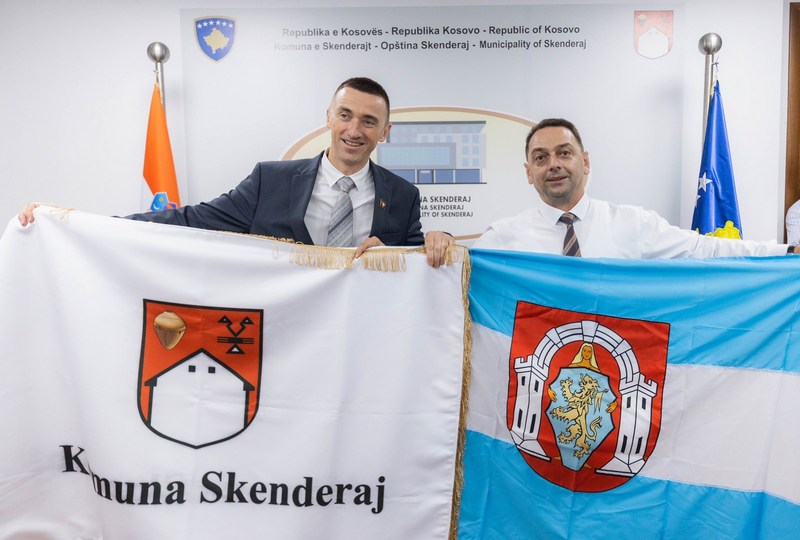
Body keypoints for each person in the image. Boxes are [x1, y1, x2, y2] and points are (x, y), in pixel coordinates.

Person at [19, 77, 455, 267]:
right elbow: (190, 219)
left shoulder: (403, 196)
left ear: (385, 132)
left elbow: (417, 264)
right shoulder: (271, 181)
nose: (354, 130)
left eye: (369, 121)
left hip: (363, 344)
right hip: (281, 341)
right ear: (328, 116)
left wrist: (440, 243)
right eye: (345, 115)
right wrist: (75, 224)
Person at [473, 118, 795, 258]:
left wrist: (785, 253)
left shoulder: (634, 224)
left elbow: (704, 249)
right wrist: (445, 244)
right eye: (541, 158)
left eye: (565, 153)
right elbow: (456, 278)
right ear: (529, 173)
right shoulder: (503, 238)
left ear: (585, 162)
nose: (553, 164)